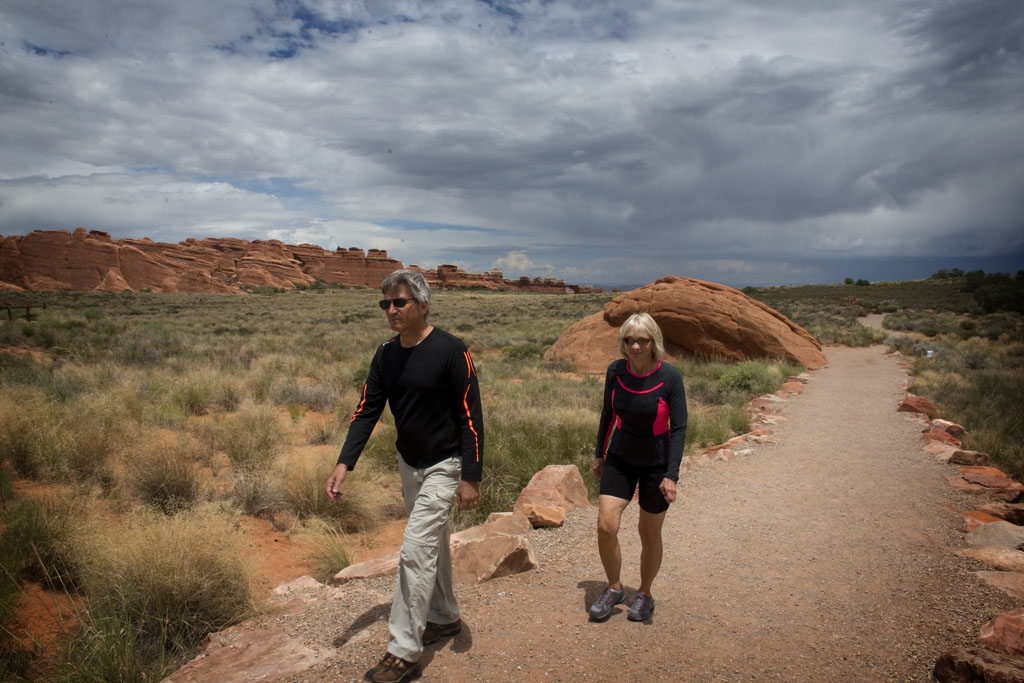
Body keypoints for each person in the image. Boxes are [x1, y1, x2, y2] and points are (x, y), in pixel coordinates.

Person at [326, 269, 483, 683]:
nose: (391, 310)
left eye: (400, 302)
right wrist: (345, 462)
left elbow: (471, 417)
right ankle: (446, 617)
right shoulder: (386, 354)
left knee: (414, 549)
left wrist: (470, 476)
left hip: (445, 465)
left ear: (423, 304)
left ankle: (403, 651)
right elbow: (367, 410)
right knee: (433, 546)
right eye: (386, 304)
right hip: (408, 464)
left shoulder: (452, 351)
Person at [589, 312, 687, 623]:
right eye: (628, 340)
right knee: (606, 526)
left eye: (641, 340)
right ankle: (614, 588)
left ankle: (644, 593)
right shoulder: (616, 371)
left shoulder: (669, 377)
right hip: (620, 457)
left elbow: (679, 428)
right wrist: (599, 454)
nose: (634, 346)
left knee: (649, 533)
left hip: (655, 464)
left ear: (653, 342)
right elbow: (608, 413)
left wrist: (671, 475)